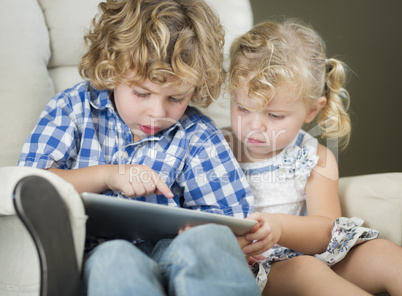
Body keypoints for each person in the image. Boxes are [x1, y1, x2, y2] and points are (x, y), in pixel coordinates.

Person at [18, 0, 260, 295]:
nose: (157, 112)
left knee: (210, 244)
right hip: (94, 257)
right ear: (112, 67)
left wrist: (214, 236)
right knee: (115, 258)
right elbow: (30, 185)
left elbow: (234, 219)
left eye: (176, 98)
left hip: (172, 256)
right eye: (141, 93)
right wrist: (107, 175)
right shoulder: (73, 110)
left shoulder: (197, 134)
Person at [225, 19, 402, 295]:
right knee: (307, 271)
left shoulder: (315, 158)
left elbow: (325, 231)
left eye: (274, 115)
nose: (254, 126)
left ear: (311, 111)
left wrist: (280, 226)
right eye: (242, 108)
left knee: (386, 254)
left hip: (313, 255)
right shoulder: (214, 146)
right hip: (257, 267)